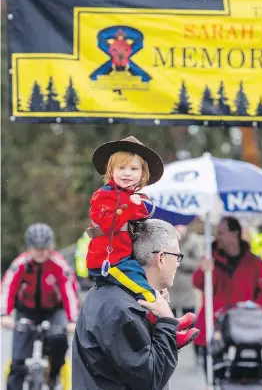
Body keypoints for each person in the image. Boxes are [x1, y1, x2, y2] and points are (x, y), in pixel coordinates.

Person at [86, 136, 198, 348]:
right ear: (111, 171)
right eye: (121, 168)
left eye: (133, 169)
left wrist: (139, 205)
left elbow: (142, 218)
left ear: (143, 174)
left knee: (149, 287)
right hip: (110, 262)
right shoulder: (103, 196)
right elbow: (109, 223)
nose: (127, 173)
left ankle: (162, 324)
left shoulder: (133, 197)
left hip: (126, 257)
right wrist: (129, 206)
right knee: (145, 290)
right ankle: (170, 326)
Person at [72, 219, 183, 390]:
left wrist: (162, 332)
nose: (177, 264)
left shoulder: (119, 296)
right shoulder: (121, 309)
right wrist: (167, 322)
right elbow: (151, 380)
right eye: (177, 257)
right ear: (161, 258)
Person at [192, 217, 262, 377]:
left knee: (242, 379)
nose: (217, 237)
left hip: (245, 331)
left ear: (235, 233)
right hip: (214, 327)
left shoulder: (255, 263)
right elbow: (198, 283)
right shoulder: (210, 261)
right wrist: (203, 270)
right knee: (214, 378)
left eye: (221, 233)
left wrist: (256, 314)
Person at [0, 223, 79, 390]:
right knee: (18, 362)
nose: (40, 253)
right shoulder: (20, 263)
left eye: (44, 249)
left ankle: (53, 374)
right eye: (36, 249)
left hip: (53, 311)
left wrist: (72, 320)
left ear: (51, 247)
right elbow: (8, 287)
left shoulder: (59, 264)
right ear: (29, 247)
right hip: (26, 311)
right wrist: (4, 314)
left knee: (59, 339)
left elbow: (69, 292)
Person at [169, 224, 203, 359]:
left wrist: (181, 260)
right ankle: (170, 351)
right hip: (171, 289)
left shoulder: (193, 241)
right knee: (170, 322)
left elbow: (198, 263)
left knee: (191, 322)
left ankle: (198, 351)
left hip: (187, 290)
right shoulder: (169, 239)